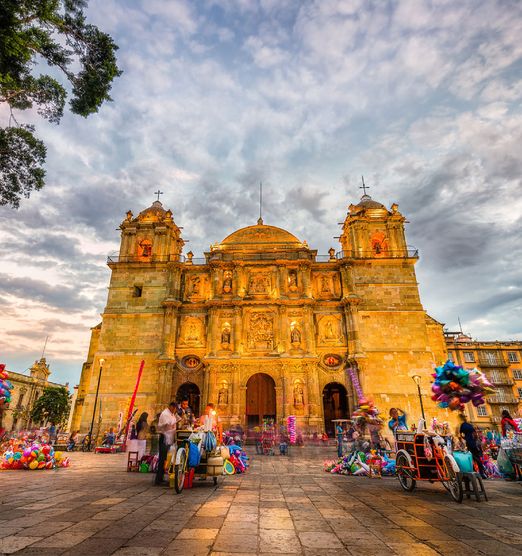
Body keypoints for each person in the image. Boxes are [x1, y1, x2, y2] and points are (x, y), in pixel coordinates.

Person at [155, 401, 180, 485]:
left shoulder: (171, 414)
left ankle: (161, 478)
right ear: (171, 407)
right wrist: (173, 424)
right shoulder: (165, 414)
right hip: (164, 437)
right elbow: (165, 425)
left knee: (165, 458)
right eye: (175, 408)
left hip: (169, 438)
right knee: (162, 459)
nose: (175, 410)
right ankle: (158, 479)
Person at [458, 414, 487, 479]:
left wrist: (464, 438)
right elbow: (475, 434)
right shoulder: (470, 425)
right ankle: (482, 473)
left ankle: (475, 472)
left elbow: (460, 434)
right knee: (477, 458)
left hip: (469, 443)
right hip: (474, 443)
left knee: (472, 458)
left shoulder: (463, 425)